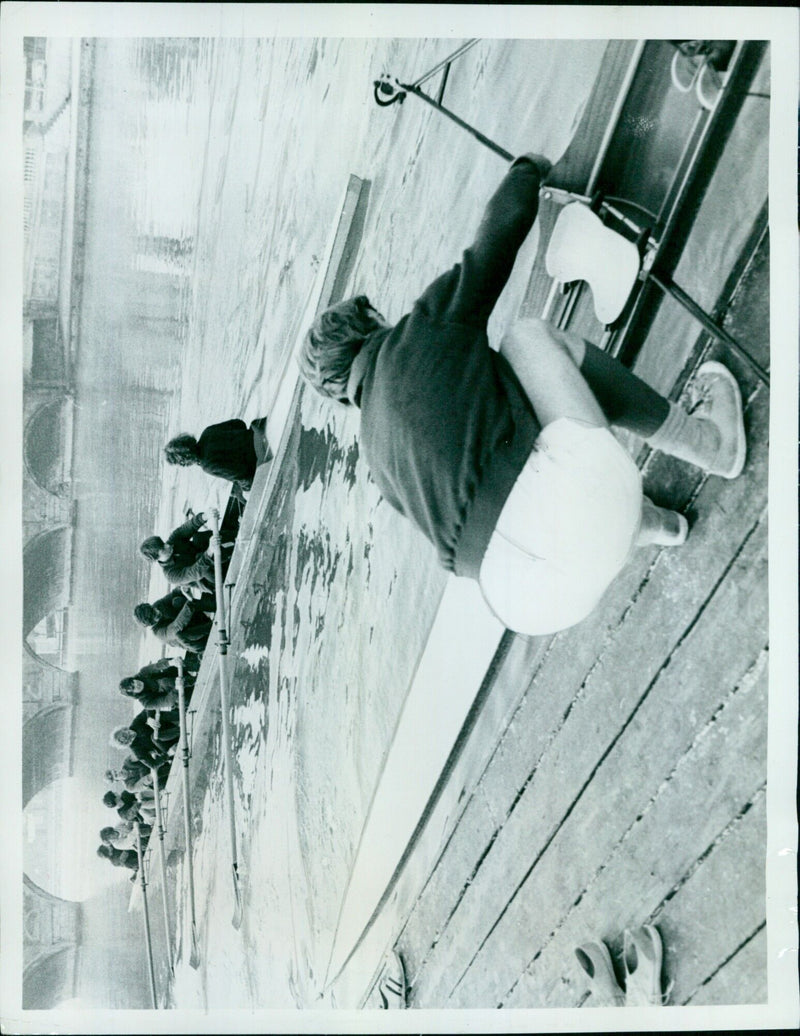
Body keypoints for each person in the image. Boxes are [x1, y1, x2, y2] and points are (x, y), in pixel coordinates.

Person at [298, 153, 746, 637]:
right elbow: (494, 244)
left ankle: (654, 526)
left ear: (343, 398)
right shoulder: (419, 330)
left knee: (502, 447)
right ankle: (707, 443)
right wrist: (526, 170)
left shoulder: (376, 463)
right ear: (372, 321)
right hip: (589, 507)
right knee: (524, 340)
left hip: (532, 607)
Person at [164, 416, 272, 503]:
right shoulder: (207, 432)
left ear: (184, 460)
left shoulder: (207, 465)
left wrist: (245, 492)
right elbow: (239, 423)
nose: (182, 465)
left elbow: (242, 474)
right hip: (255, 435)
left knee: (244, 497)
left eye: (180, 463)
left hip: (258, 456)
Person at [139, 511, 215, 592]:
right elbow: (195, 571)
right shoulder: (171, 575)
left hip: (205, 556)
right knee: (201, 559)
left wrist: (204, 517)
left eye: (163, 544)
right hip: (210, 579)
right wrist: (210, 551)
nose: (168, 545)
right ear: (157, 559)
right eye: (163, 549)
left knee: (198, 538)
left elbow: (188, 527)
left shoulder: (172, 540)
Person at [133, 589, 213, 655]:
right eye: (154, 614)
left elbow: (175, 593)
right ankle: (211, 627)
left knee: (177, 600)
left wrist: (184, 588)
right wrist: (189, 605)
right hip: (199, 642)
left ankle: (214, 604)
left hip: (198, 621)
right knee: (179, 635)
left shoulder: (157, 605)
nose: (157, 611)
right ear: (151, 623)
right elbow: (176, 627)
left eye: (153, 609)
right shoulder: (159, 633)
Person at [119, 658, 195, 712]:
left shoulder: (143, 672)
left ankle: (195, 667)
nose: (137, 684)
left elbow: (156, 667)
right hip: (179, 694)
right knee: (165, 683)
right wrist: (177, 688)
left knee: (164, 662)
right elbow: (167, 701)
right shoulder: (146, 703)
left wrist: (171, 662)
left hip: (178, 676)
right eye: (133, 688)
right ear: (134, 694)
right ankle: (193, 682)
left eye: (133, 682)